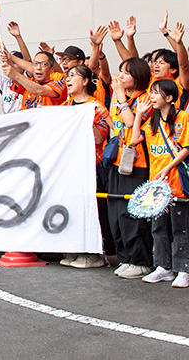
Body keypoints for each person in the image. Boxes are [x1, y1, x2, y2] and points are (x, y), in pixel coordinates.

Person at [130, 79, 189, 288]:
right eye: (151, 92)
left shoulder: (182, 117)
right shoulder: (152, 121)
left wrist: (168, 168)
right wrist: (139, 114)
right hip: (157, 185)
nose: (152, 96)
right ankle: (163, 267)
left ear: (169, 97)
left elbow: (187, 147)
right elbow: (134, 139)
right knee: (158, 228)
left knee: (180, 228)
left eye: (156, 92)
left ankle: (184, 270)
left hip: (176, 182)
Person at [60, 65, 114, 268]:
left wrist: (86, 119)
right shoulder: (65, 106)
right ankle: (74, 249)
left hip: (92, 166)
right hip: (69, 166)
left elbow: (99, 138)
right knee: (73, 208)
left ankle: (94, 254)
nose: (68, 79)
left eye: (73, 76)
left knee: (92, 209)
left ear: (85, 81)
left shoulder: (96, 106)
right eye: (67, 76)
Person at [108, 57, 155, 279]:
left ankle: (141, 261)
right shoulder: (121, 98)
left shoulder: (146, 99)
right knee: (117, 215)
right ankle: (125, 257)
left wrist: (120, 96)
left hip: (138, 164)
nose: (121, 76)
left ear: (138, 76)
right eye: (121, 71)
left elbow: (130, 122)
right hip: (118, 161)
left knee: (133, 214)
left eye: (126, 72)